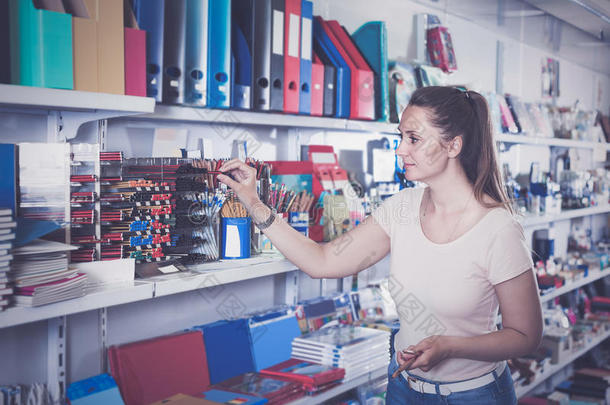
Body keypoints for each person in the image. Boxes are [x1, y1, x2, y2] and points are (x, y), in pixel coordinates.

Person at [217, 86, 543, 405]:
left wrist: (451, 346)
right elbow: (324, 261)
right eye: (401, 137)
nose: (401, 149)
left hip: (473, 394)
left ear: (453, 145)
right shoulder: (400, 208)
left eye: (413, 139)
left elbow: (526, 335)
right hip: (404, 387)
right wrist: (252, 201)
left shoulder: (497, 228)